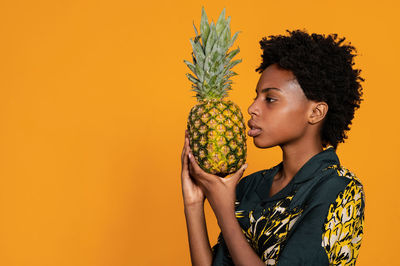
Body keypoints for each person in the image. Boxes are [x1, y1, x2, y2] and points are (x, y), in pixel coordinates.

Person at [180, 29, 365, 265]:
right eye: (256, 96)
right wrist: (193, 203)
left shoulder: (340, 190)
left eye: (270, 99)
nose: (252, 108)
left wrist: (224, 211)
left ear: (316, 112)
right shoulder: (250, 186)